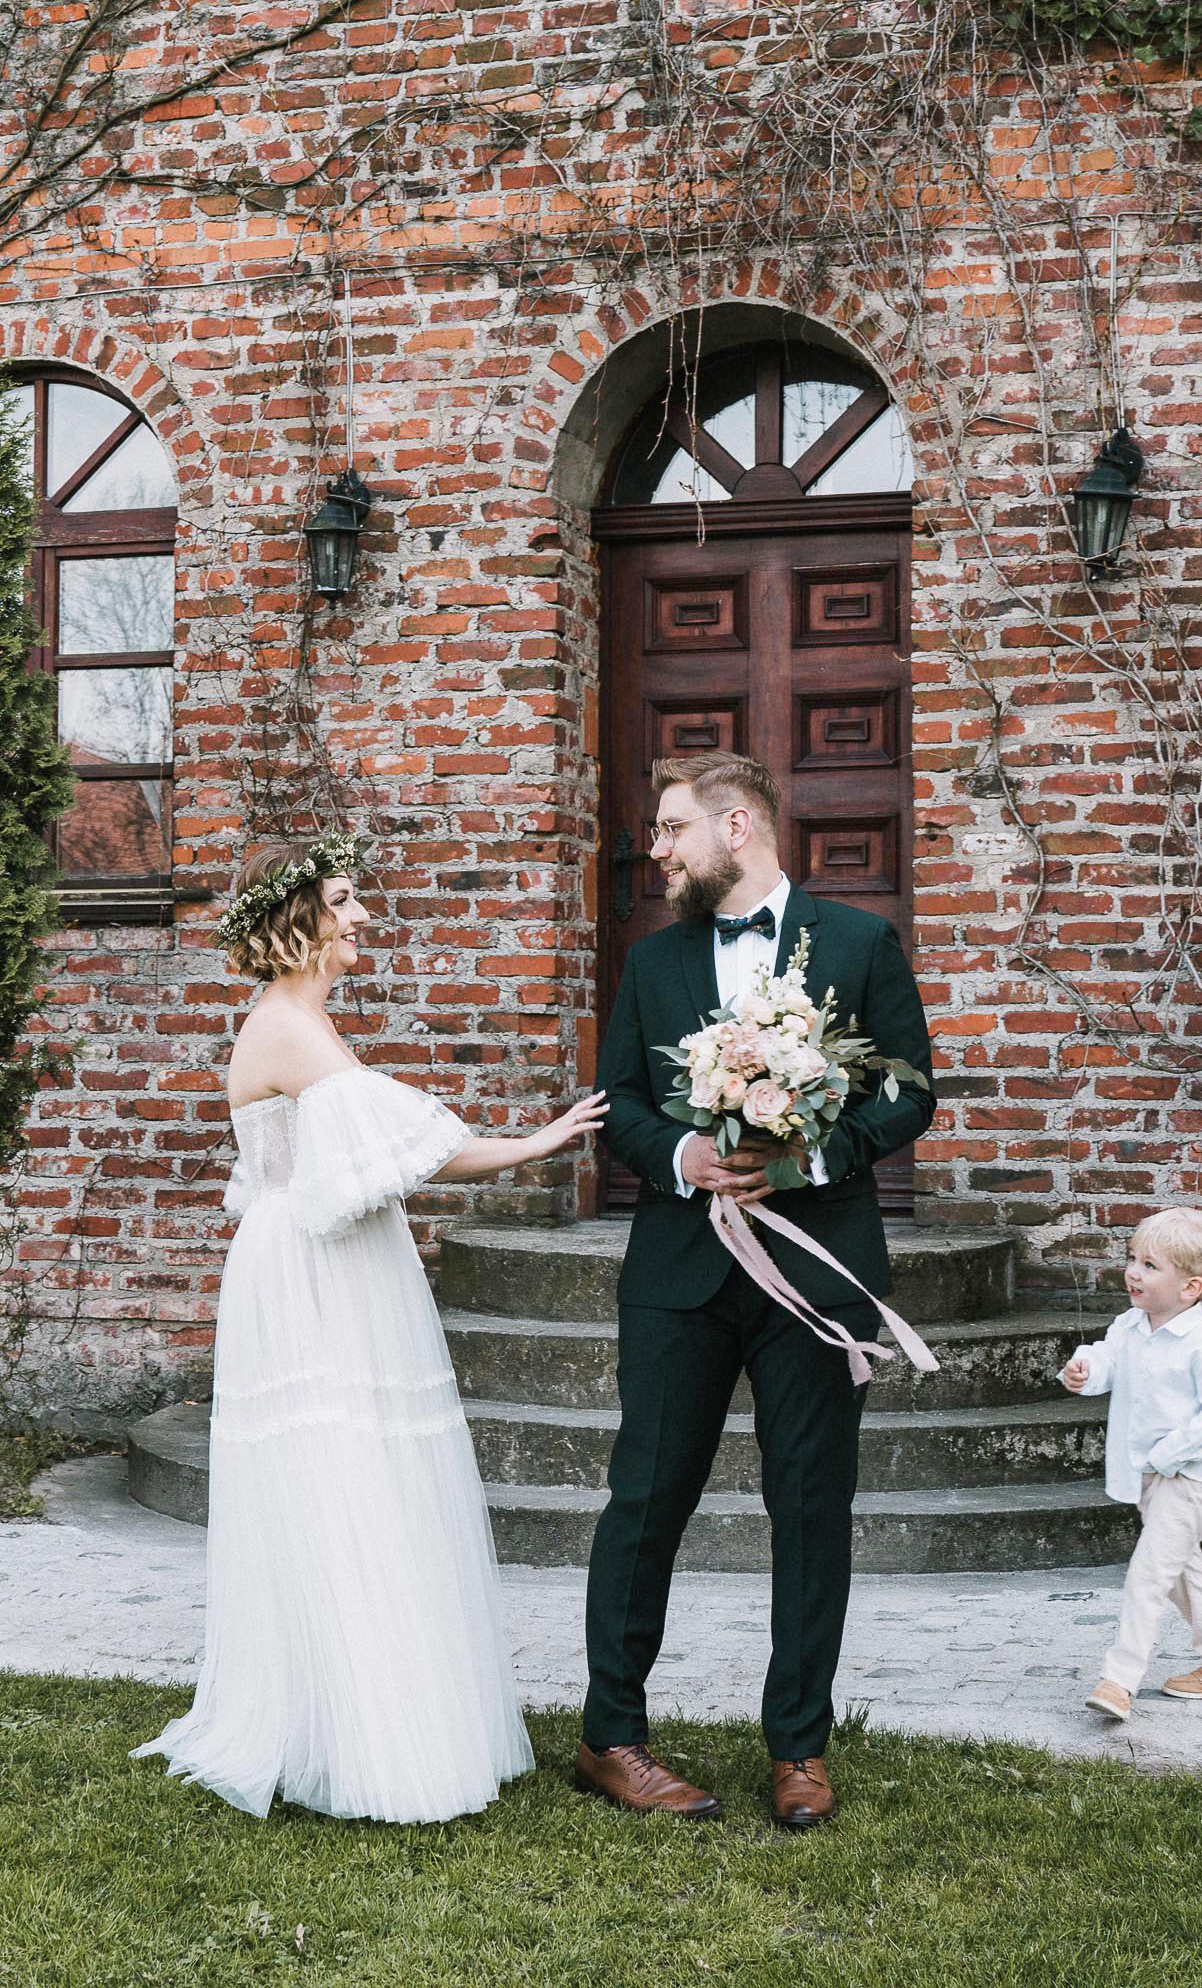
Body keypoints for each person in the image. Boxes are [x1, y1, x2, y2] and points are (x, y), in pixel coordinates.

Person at [133, 833, 607, 1822]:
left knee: (366, 1468)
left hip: (332, 1258)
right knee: (337, 1470)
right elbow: (417, 1146)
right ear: (299, 916)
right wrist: (540, 1141)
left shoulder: (306, 1021)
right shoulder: (288, 1027)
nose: (361, 917)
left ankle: (367, 1711)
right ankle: (359, 1735)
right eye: (344, 899)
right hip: (309, 1271)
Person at [577, 753, 936, 1830]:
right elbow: (618, 1099)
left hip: (816, 1265)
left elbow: (910, 1090)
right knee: (646, 1498)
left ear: (736, 827)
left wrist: (809, 1158)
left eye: (672, 828)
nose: (656, 848)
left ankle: (799, 1747)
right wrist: (680, 1155)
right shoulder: (653, 960)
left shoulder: (860, 943)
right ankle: (610, 1737)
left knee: (811, 1504)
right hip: (679, 1273)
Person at [1059, 1207, 1202, 1725]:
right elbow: (1106, 1359)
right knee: (1182, 1572)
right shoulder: (1130, 1326)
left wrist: (1168, 1455)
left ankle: (1118, 1680)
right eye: (1133, 1259)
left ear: (1190, 1288)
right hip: (1145, 1475)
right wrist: (1084, 1371)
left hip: (1186, 1478)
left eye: (1149, 1265)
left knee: (1148, 1574)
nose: (1133, 1273)